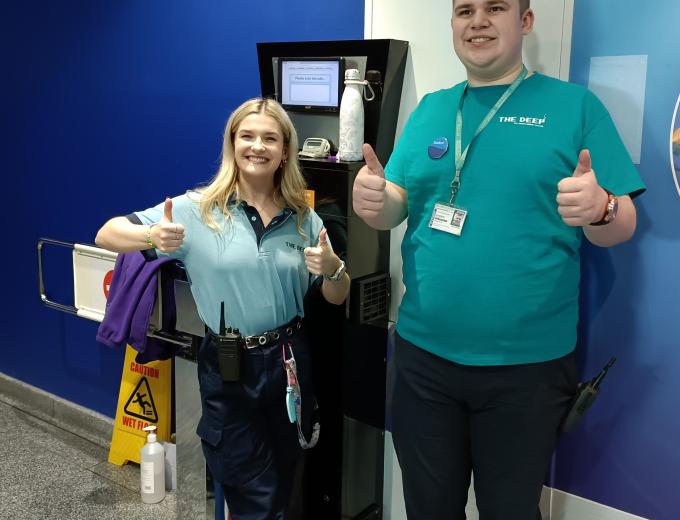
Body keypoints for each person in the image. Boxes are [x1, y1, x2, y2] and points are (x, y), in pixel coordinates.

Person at [352, 1, 645, 519]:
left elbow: (621, 227)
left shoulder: (574, 108)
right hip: (423, 361)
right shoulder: (432, 110)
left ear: (525, 22)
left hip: (526, 370)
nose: (478, 21)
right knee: (428, 509)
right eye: (464, 10)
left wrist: (602, 207)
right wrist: (376, 203)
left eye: (495, 8)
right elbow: (397, 203)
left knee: (510, 511)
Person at [96, 97, 350, 520]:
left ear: (285, 150)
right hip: (231, 365)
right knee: (255, 492)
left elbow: (336, 296)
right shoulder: (199, 210)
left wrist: (334, 269)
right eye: (247, 136)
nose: (258, 146)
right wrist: (153, 237)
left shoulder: (306, 219)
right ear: (232, 144)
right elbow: (107, 233)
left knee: (285, 480)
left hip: (289, 363)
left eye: (270, 138)